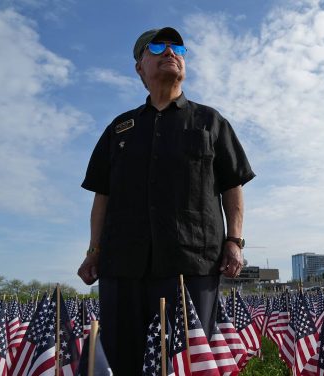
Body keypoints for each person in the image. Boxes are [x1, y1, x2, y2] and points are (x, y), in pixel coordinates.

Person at [77, 26, 255, 374]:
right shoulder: (119, 128)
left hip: (191, 266)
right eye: (157, 46)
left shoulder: (210, 122)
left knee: (187, 363)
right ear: (139, 67)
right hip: (123, 266)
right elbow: (103, 194)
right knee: (122, 361)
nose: (170, 52)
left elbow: (233, 185)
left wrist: (234, 241)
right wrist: (94, 251)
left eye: (177, 48)